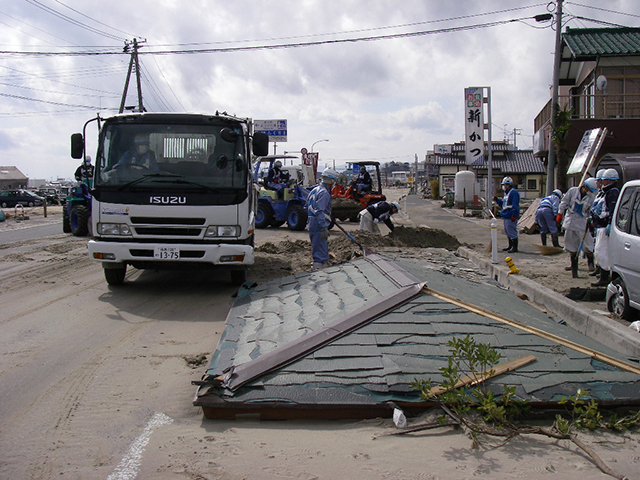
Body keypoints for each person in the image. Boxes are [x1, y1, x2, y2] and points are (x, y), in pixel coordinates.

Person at [557, 178, 598, 278]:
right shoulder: (573, 191)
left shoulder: (592, 196)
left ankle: (590, 263)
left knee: (587, 244)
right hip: (571, 220)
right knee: (571, 245)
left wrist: (591, 220)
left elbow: (592, 210)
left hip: (583, 222)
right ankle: (574, 267)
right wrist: (560, 213)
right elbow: (564, 202)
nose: (589, 192)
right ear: (585, 187)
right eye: (588, 190)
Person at [590, 168, 621, 287]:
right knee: (598, 251)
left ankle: (604, 276)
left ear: (610, 180)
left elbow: (612, 210)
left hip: (604, 226)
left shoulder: (612, 192)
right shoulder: (604, 192)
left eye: (604, 181)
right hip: (599, 226)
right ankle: (602, 273)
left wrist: (609, 223)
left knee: (602, 252)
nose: (602, 183)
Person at [306, 168, 339, 270]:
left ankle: (323, 268)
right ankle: (318, 271)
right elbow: (319, 211)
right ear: (331, 181)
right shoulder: (324, 193)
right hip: (318, 224)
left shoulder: (314, 190)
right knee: (320, 251)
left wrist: (329, 217)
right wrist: (323, 226)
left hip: (312, 222)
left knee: (321, 249)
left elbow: (306, 207)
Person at [588, 169, 607, 278]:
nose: (597, 184)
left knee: (602, 251)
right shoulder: (599, 193)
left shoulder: (609, 193)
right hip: (596, 226)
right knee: (597, 249)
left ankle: (603, 273)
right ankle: (598, 268)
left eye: (599, 181)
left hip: (603, 226)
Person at [493, 176, 520, 253]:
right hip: (506, 214)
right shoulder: (506, 194)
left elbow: (515, 205)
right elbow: (504, 204)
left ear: (508, 185)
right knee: (507, 231)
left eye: (505, 185)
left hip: (510, 214)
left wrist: (514, 215)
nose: (504, 186)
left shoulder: (514, 193)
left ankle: (515, 247)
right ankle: (510, 246)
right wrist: (497, 200)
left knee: (511, 230)